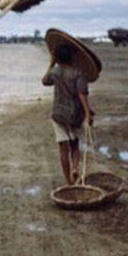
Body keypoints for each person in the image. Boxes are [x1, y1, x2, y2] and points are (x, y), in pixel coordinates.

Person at [42, 44, 95, 184]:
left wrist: (51, 63)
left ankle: (67, 181)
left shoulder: (55, 72)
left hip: (59, 115)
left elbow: (44, 81)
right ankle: (75, 168)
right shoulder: (79, 73)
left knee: (62, 148)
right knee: (74, 145)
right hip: (75, 115)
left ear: (57, 58)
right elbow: (82, 94)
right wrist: (88, 113)